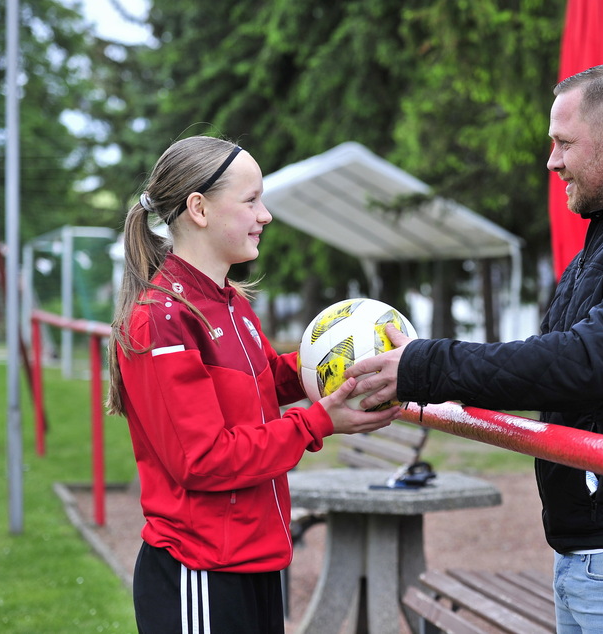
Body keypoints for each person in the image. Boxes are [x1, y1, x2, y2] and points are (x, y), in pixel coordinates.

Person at [346, 64, 603, 633]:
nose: (551, 161)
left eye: (563, 143)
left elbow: (583, 364)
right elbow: (549, 357)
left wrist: (424, 366)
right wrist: (421, 366)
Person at [105, 136, 398, 634]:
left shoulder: (231, 303)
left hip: (256, 562)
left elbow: (267, 381)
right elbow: (204, 459)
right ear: (198, 208)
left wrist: (353, 359)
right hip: (201, 573)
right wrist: (320, 421)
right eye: (250, 200)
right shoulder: (161, 321)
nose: (264, 215)